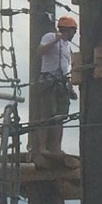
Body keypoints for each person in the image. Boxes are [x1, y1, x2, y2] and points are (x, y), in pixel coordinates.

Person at [36, 15, 78, 157]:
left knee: (60, 117)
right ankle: (42, 147)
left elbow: (66, 68)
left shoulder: (67, 47)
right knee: (47, 114)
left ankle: (56, 148)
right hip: (48, 80)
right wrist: (56, 39)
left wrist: (70, 87)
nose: (74, 35)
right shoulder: (49, 36)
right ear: (67, 30)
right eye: (73, 31)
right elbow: (40, 51)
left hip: (62, 82)